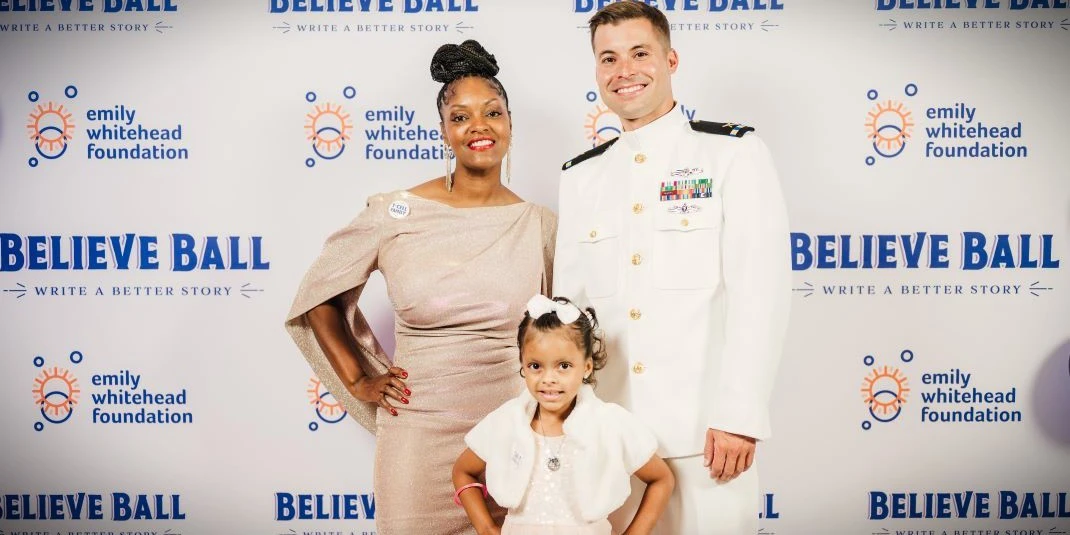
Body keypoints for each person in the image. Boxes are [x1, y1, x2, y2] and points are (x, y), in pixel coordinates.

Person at [285, 40, 557, 535]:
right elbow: (319, 294)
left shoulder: (538, 225)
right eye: (461, 116)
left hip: (512, 432)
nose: (479, 126)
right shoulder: (395, 212)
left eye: (492, 112)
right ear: (444, 131)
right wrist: (358, 379)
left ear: (510, 124)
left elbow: (565, 334)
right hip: (418, 430)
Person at [552, 2, 792, 533]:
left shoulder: (732, 154)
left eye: (640, 53)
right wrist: (572, 422)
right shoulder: (580, 178)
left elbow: (762, 295)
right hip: (608, 439)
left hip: (706, 438)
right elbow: (569, 316)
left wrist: (738, 417)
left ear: (671, 59)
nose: (624, 71)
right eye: (608, 58)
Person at [453, 295, 674, 535]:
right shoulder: (507, 421)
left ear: (587, 367)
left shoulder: (610, 424)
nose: (549, 379)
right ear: (523, 364)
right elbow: (462, 470)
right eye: (536, 366)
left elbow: (662, 479)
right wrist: (485, 527)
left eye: (564, 366)